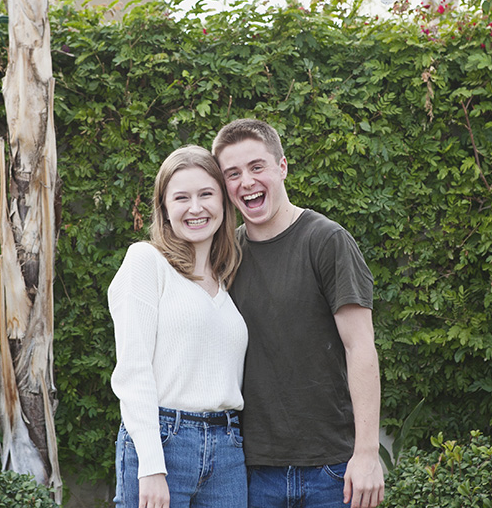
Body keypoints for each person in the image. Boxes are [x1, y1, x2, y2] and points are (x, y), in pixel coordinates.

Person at [212, 119, 384, 508]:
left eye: (257, 167)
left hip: (332, 470)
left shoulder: (326, 240)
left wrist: (367, 454)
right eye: (233, 174)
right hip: (253, 471)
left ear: (282, 166)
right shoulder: (226, 256)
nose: (247, 182)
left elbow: (361, 348)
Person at [108, 145, 248, 508]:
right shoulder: (146, 262)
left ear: (223, 202)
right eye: (181, 197)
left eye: (206, 194)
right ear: (165, 209)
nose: (196, 207)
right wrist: (152, 466)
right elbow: (133, 371)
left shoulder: (226, 282)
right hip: (164, 442)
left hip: (228, 447)